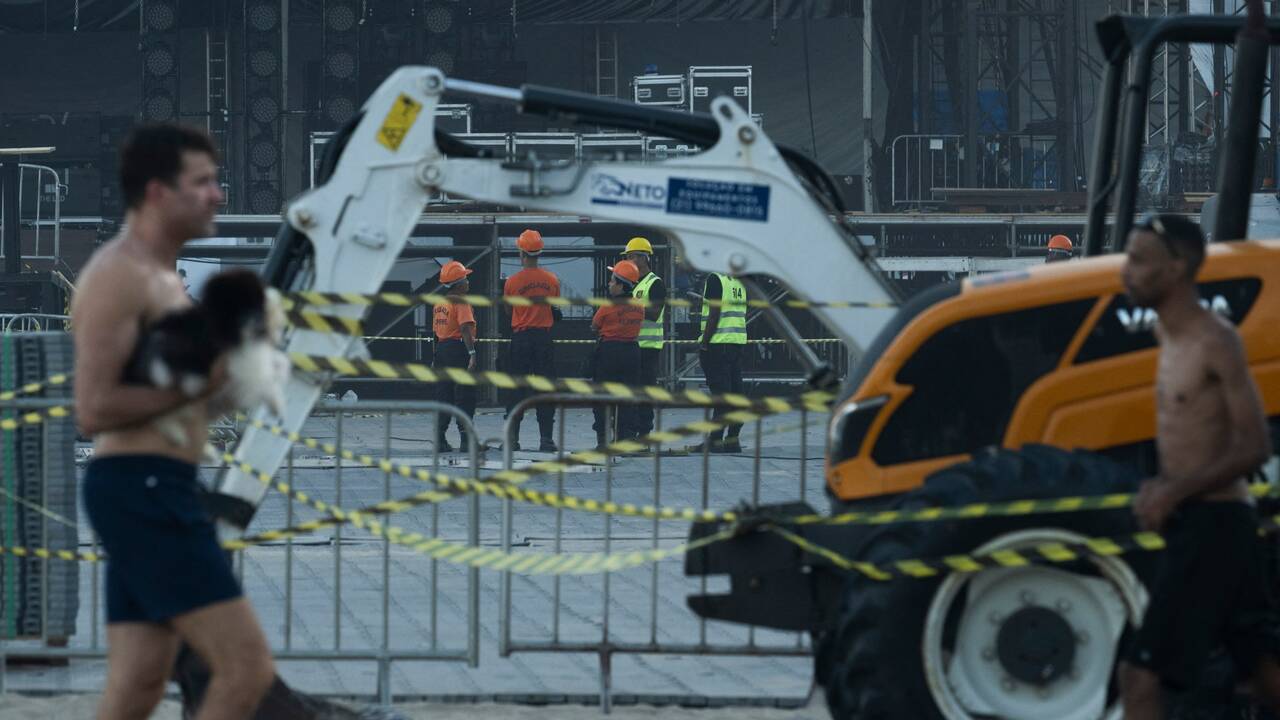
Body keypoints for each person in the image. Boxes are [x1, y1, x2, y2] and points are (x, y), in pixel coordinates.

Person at [72, 123, 274, 720]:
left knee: (138, 683)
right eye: (203, 182)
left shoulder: (166, 280)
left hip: (155, 484)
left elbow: (178, 396)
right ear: (158, 192)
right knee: (245, 671)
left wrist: (243, 379)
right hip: (144, 486)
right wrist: (204, 381)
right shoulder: (120, 277)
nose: (219, 194)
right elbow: (95, 408)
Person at [1116, 212, 1280, 719]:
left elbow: (1254, 446)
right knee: (1263, 673)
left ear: (1177, 268)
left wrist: (1174, 491)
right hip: (1205, 520)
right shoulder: (1168, 336)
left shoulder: (1214, 341)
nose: (1126, 271)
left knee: (1139, 678)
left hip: (1213, 523)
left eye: (1139, 260)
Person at [503, 229, 560, 452]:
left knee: (516, 389)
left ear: (521, 253)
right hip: (543, 338)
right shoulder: (552, 280)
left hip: (521, 338)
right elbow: (554, 306)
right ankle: (546, 439)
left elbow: (509, 311)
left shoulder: (512, 282)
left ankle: (513, 439)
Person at [689, 272, 748, 454]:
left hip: (717, 343)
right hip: (736, 342)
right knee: (736, 392)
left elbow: (714, 313)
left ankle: (715, 440)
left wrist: (704, 342)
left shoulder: (715, 279)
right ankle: (732, 438)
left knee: (721, 394)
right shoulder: (739, 282)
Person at [590, 260, 644, 450]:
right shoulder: (639, 306)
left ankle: (603, 440)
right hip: (631, 352)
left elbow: (594, 325)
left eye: (613, 281)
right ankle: (625, 439)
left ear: (621, 285)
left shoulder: (607, 306)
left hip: (609, 352)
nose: (609, 284)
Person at [622, 236, 666, 440]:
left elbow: (655, 313)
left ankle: (644, 433)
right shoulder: (633, 283)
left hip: (648, 347)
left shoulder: (655, 284)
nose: (628, 261)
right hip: (631, 345)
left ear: (642, 258)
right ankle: (631, 431)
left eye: (630, 257)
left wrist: (631, 309)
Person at [432, 260, 477, 452]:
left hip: (442, 349)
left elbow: (436, 331)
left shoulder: (439, 304)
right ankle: (466, 441)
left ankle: (440, 439)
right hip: (458, 349)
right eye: (465, 278)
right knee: (464, 395)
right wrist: (472, 353)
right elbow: (465, 327)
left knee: (445, 395)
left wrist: (436, 356)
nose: (468, 281)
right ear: (458, 284)